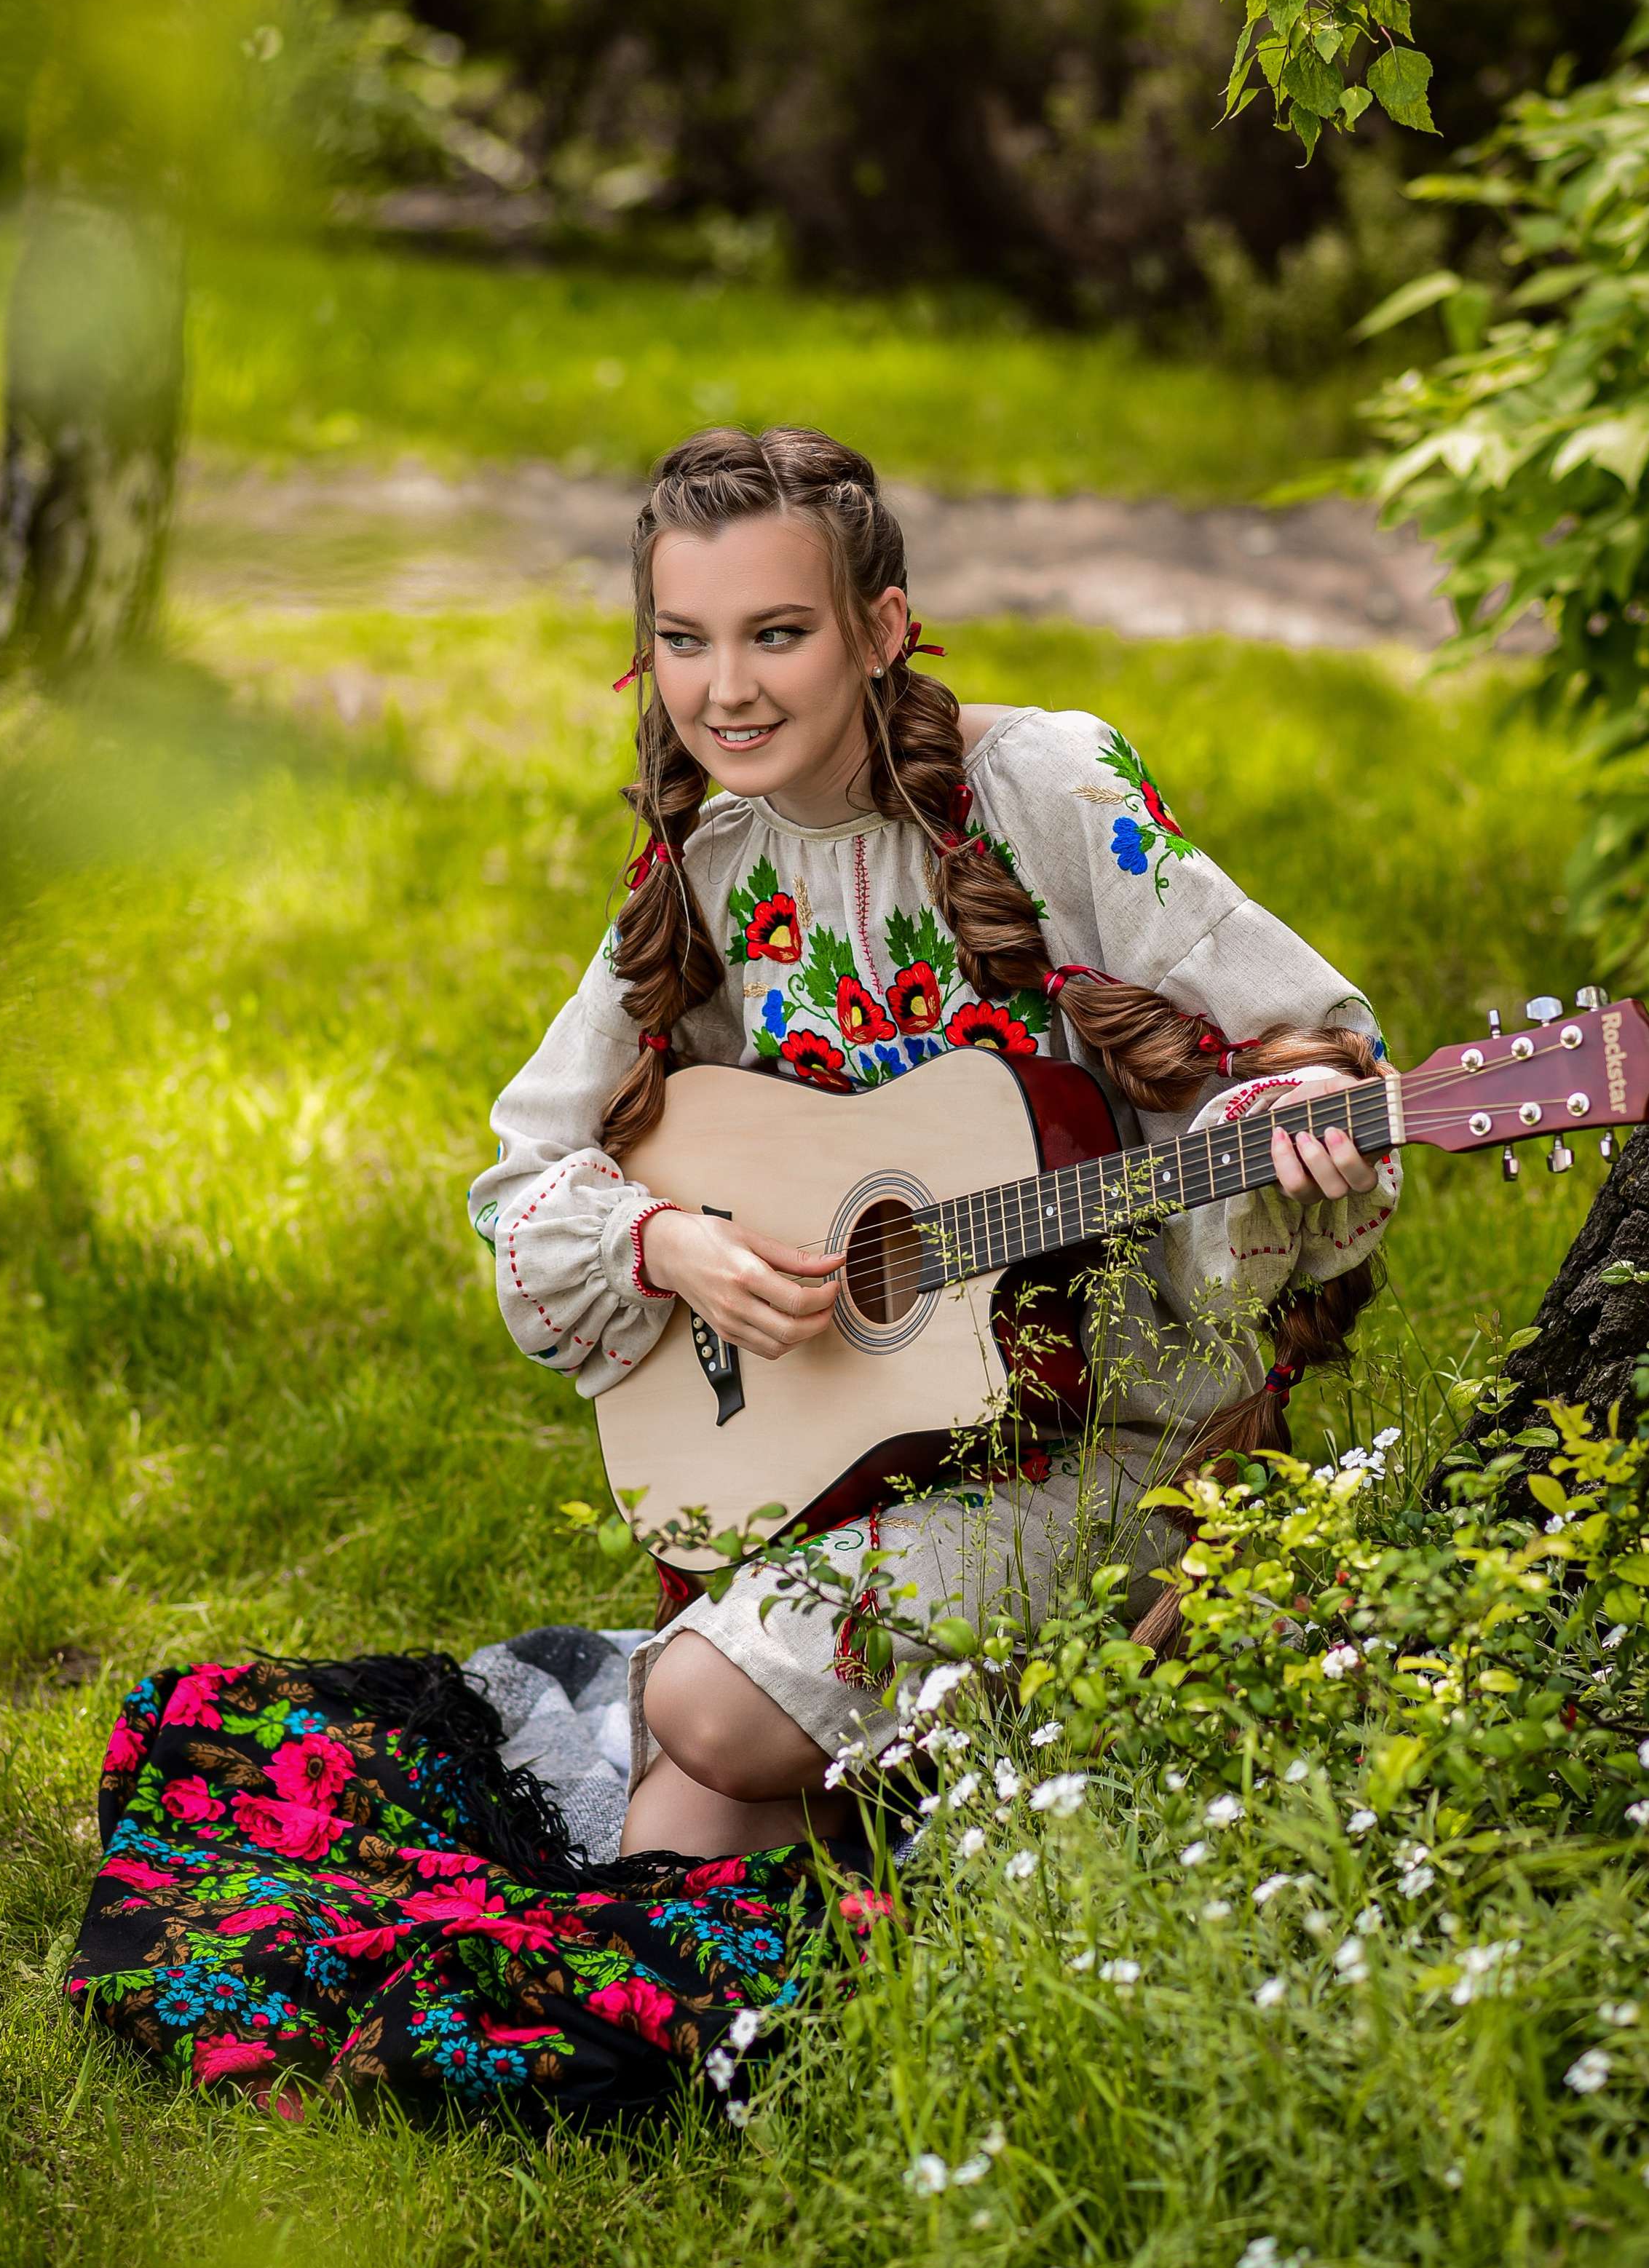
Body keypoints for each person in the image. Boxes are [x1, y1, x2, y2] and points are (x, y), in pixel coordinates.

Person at [470, 425, 1399, 1868]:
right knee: (678, 1824)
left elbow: (1309, 1038)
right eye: (682, 639)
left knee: (705, 1713)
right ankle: (896, 1854)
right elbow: (528, 1171)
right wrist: (669, 1243)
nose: (726, 688)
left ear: (880, 628)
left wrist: (1281, 1134)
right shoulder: (714, 868)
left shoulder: (1050, 788)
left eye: (776, 633)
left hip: (1117, 1439)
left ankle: (928, 1801)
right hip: (865, 1445)